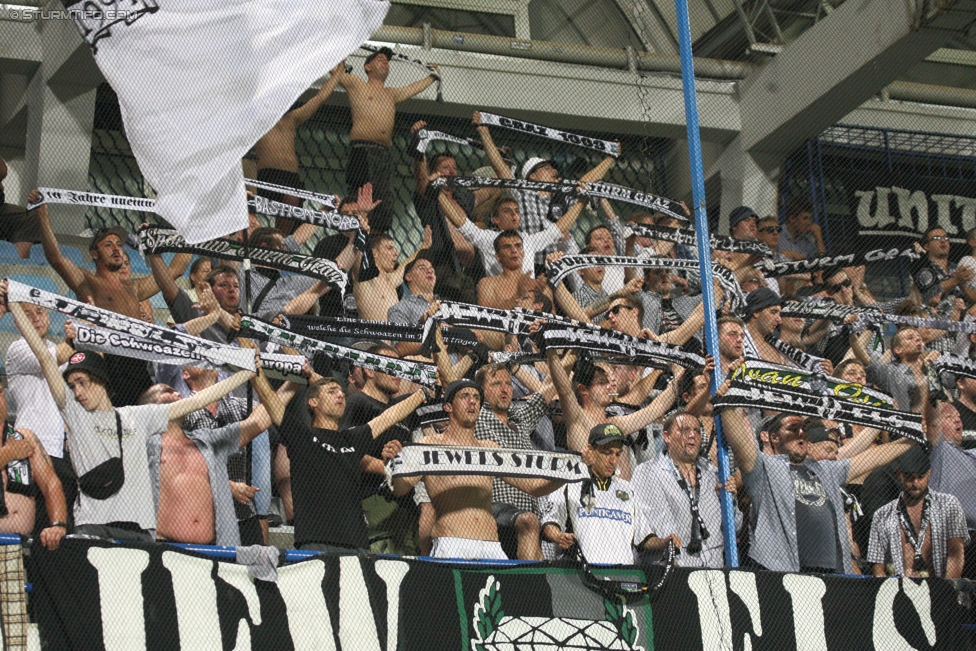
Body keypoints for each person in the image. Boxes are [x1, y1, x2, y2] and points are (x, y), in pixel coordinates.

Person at [9, 292, 255, 542]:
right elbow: (43, 356)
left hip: (138, 532)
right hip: (94, 527)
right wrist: (13, 301)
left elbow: (198, 400)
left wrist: (245, 373)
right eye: (72, 386)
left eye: (82, 382)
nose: (77, 391)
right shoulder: (75, 415)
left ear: (100, 382)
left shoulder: (137, 416)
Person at [719, 405, 916, 573]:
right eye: (792, 429)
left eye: (803, 428)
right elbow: (739, 442)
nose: (801, 433)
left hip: (833, 572)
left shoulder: (826, 469)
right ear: (774, 438)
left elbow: (873, 457)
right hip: (785, 572)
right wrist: (727, 405)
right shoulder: (765, 468)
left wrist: (912, 438)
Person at [391, 379, 565, 560]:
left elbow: (533, 487)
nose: (472, 401)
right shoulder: (430, 446)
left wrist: (566, 474)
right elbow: (400, 488)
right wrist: (395, 463)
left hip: (491, 547)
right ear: (448, 407)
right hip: (452, 544)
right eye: (464, 396)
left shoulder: (490, 449)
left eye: (476, 397)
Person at [264, 364, 426, 553]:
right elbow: (269, 400)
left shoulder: (352, 439)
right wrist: (256, 369)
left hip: (357, 545)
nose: (340, 395)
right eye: (332, 392)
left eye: (341, 392)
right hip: (315, 542)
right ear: (313, 402)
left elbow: (389, 416)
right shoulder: (302, 435)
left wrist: (422, 394)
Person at [139, 366, 277, 547]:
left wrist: (292, 381)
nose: (177, 394)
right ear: (148, 408)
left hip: (226, 528)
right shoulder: (142, 442)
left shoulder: (203, 440)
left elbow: (262, 417)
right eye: (167, 391)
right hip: (164, 545)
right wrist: (227, 485)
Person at [474, 112, 616, 270]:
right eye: (546, 168)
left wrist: (610, 157)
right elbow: (500, 167)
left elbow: (587, 181)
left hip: (555, 266)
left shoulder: (561, 197)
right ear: (532, 176)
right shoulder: (522, 193)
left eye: (553, 168)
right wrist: (484, 131)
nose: (553, 171)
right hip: (528, 264)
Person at [334, 49, 441, 233]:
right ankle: (352, 234)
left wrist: (433, 77)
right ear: (367, 66)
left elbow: (412, 88)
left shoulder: (391, 93)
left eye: (387, 61)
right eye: (379, 59)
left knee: (382, 199)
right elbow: (334, 71)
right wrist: (339, 53)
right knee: (359, 196)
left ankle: (377, 238)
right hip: (362, 149)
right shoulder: (356, 83)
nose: (385, 62)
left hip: (383, 152)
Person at [337, 343, 420, 555]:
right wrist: (386, 467)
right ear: (370, 370)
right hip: (368, 504)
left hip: (405, 508)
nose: (397, 372)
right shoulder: (355, 403)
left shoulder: (403, 411)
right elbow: (342, 450)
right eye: (390, 366)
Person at [4, 301, 77, 531]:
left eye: (40, 311)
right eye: (27, 315)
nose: (35, 318)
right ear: (17, 322)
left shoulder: (59, 352)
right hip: (29, 449)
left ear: (48, 316)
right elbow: (59, 354)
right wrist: (78, 334)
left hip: (60, 452)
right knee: (33, 525)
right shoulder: (18, 349)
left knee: (59, 527)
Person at [473, 363, 557, 560]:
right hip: (493, 510)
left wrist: (572, 353)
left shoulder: (519, 418)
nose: (504, 389)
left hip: (527, 517)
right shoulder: (476, 415)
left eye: (508, 384)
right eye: (496, 384)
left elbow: (547, 391)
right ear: (481, 391)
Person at [252, 62, 344, 234]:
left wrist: (339, 72)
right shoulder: (259, 116)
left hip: (292, 176)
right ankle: (277, 239)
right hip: (270, 174)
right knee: (289, 200)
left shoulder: (292, 118)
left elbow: (320, 98)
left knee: (293, 209)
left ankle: (280, 241)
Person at [633, 413, 731, 567]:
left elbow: (735, 526)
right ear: (667, 436)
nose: (692, 435)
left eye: (697, 431)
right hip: (674, 566)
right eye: (684, 430)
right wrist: (674, 556)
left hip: (714, 566)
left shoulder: (713, 474)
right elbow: (657, 520)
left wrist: (730, 501)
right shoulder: (647, 472)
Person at [439, 188, 588, 279]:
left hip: (530, 298)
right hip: (501, 300)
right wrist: (438, 194)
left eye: (517, 211)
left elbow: (558, 229)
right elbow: (461, 222)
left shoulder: (527, 239)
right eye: (507, 211)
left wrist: (582, 201)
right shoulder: (488, 238)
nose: (514, 215)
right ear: (495, 219)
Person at [540, 424, 636, 565]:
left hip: (624, 572)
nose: (613, 461)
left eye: (617, 454)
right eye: (607, 452)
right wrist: (559, 536)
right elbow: (549, 523)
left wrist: (664, 542)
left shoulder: (628, 490)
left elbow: (644, 537)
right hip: (582, 573)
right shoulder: (568, 483)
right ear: (590, 450)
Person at [867, 446, 968, 578]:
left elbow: (956, 553)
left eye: (920, 477)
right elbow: (878, 565)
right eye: (909, 477)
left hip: (939, 587)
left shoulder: (948, 505)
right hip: (899, 590)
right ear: (899, 475)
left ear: (929, 473)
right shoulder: (882, 515)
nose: (915, 483)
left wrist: (947, 589)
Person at [926, 401, 976, 578]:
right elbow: (930, 422)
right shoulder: (939, 452)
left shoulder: (970, 455)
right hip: (949, 537)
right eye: (948, 417)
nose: (957, 421)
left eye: (959, 417)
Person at [354, 230, 431, 322]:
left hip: (398, 334)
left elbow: (406, 265)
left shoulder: (389, 281)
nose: (396, 253)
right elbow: (357, 257)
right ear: (374, 254)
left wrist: (425, 245)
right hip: (376, 335)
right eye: (389, 248)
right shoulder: (367, 278)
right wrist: (361, 231)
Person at [477, 230, 551, 311]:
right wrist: (518, 295)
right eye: (507, 247)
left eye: (518, 246)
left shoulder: (540, 286)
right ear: (498, 256)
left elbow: (553, 319)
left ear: (523, 253)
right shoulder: (487, 284)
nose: (514, 250)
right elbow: (485, 316)